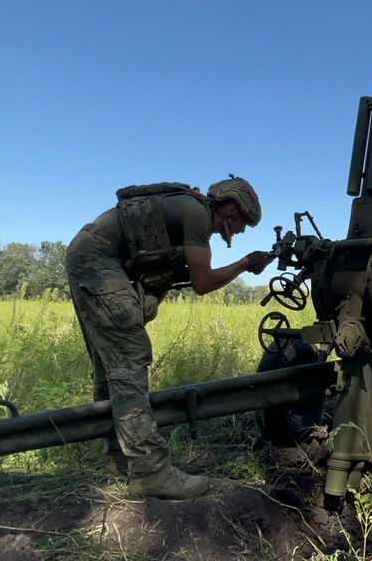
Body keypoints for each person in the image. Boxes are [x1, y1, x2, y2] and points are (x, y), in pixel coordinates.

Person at [64, 175, 274, 500]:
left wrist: (142, 306)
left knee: (111, 365)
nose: (242, 230)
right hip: (98, 259)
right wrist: (245, 264)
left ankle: (117, 459)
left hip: (91, 256)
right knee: (129, 357)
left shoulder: (189, 213)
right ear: (231, 209)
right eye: (244, 222)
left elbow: (159, 268)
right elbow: (202, 283)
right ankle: (151, 472)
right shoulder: (198, 215)